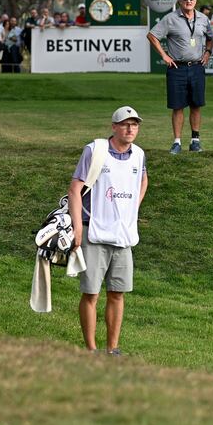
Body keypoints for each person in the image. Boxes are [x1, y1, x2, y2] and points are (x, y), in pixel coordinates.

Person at [69, 106, 149, 355]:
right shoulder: (95, 150)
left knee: (117, 293)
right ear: (114, 127)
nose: (130, 128)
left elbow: (143, 180)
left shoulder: (139, 154)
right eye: (125, 124)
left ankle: (112, 349)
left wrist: (132, 208)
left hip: (123, 236)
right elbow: (75, 190)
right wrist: (77, 228)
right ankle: (92, 350)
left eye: (134, 124)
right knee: (91, 293)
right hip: (94, 232)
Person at [148, 0, 213, 154]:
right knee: (178, 106)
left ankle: (195, 140)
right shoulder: (170, 18)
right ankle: (177, 142)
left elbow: (211, 38)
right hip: (177, 67)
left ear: (196, 0)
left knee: (196, 105)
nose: (189, 2)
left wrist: (207, 52)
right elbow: (152, 35)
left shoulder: (203, 19)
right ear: (180, 1)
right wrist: (164, 55)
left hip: (197, 67)